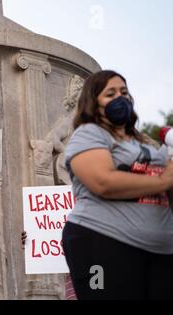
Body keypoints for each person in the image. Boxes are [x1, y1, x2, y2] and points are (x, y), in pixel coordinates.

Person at [62, 70, 173, 300]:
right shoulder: (88, 133)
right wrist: (164, 179)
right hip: (100, 244)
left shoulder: (146, 143)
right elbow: (103, 182)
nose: (120, 98)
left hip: (161, 250)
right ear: (93, 103)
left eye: (124, 92)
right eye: (110, 94)